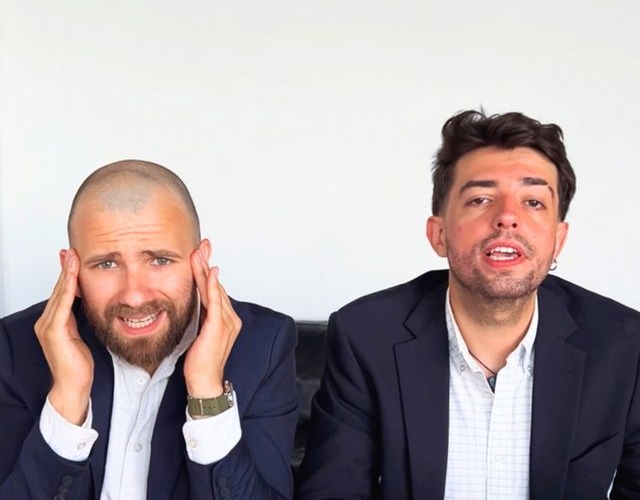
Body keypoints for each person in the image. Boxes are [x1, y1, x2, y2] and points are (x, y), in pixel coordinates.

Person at [298, 110, 640, 499]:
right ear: (439, 234)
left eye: (533, 201)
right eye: (480, 199)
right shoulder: (365, 336)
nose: (507, 217)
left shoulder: (622, 344)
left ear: (558, 240)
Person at [0, 160, 298, 500]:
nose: (135, 295)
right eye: (107, 264)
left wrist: (208, 395)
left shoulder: (263, 346)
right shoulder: (15, 346)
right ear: (72, 270)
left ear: (200, 261)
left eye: (160, 260)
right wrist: (68, 400)